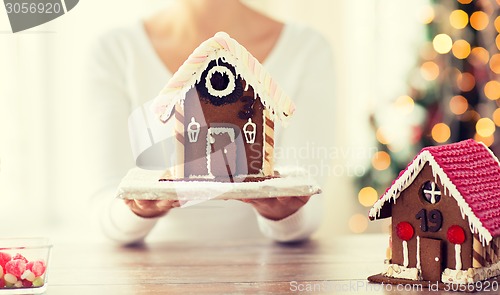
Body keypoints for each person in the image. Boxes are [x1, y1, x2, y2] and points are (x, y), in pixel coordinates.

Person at [85, 0, 335, 245]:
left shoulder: (307, 48)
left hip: (268, 274)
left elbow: (310, 201)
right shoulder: (115, 50)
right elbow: (105, 210)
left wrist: (285, 213)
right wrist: (140, 207)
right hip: (149, 276)